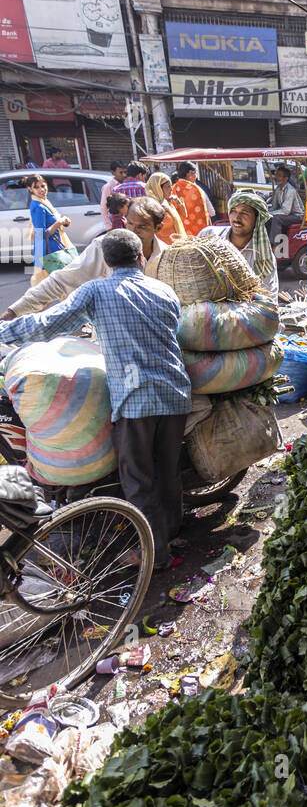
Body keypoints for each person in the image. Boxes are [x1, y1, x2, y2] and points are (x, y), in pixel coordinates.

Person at [0, 229, 191, 568]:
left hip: (136, 402)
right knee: (168, 470)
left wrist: (4, 330)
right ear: (140, 258)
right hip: (176, 393)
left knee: (138, 481)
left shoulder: (96, 290)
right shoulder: (164, 290)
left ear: (105, 261)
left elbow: (48, 324)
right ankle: (172, 532)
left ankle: (155, 554)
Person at [1, 197, 168, 320]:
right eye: (130, 224)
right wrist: (14, 311)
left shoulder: (166, 256)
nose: (133, 231)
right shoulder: (104, 247)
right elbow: (61, 281)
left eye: (142, 227)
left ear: (158, 227)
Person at [197, 190, 278, 298]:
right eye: (233, 211)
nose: (236, 218)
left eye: (244, 213)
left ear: (257, 219)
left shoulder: (263, 258)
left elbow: (269, 300)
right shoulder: (208, 235)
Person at [27, 173, 78, 278]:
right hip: (50, 253)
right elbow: (41, 235)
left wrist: (63, 221)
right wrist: (58, 223)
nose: (41, 189)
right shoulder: (39, 207)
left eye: (43, 186)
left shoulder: (44, 202)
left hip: (53, 250)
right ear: (30, 189)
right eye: (36, 187)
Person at [268, 164, 306, 254]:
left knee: (277, 219)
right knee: (266, 218)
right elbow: (274, 206)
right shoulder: (278, 189)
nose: (276, 177)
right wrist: (267, 212)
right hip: (288, 215)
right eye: (276, 175)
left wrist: (271, 213)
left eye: (279, 176)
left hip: (297, 216)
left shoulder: (290, 191)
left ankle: (276, 246)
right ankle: (267, 242)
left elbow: (285, 211)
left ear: (286, 178)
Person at [145, 171, 186, 244]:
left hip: (174, 246)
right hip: (162, 248)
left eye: (171, 185)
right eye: (168, 186)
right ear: (158, 188)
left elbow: (183, 217)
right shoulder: (152, 207)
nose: (171, 189)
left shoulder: (168, 203)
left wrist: (178, 203)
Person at [171, 161, 211, 236]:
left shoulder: (173, 188)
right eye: (195, 173)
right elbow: (207, 212)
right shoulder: (196, 189)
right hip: (199, 233)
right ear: (189, 173)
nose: (196, 176)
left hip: (181, 232)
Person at [100, 160, 127, 229]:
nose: (124, 175)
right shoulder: (108, 187)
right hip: (115, 223)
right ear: (113, 172)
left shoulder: (126, 184)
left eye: (125, 172)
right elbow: (103, 208)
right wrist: (108, 227)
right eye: (121, 172)